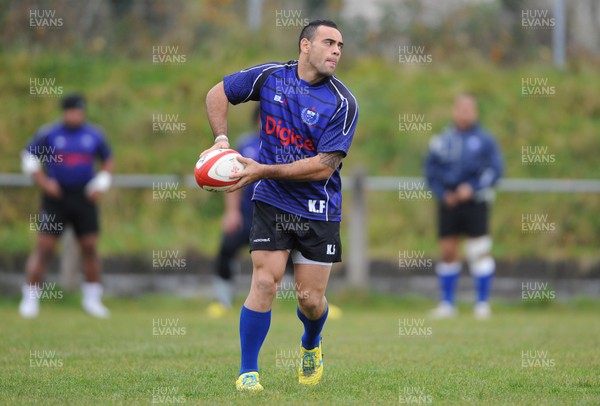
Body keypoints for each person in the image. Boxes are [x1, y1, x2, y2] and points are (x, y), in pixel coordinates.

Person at [201, 19, 358, 391]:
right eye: (329, 42)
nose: (337, 50)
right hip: (272, 200)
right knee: (265, 282)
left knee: (310, 300)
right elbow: (217, 93)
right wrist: (221, 139)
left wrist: (263, 169)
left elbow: (323, 167)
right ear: (305, 46)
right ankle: (247, 372)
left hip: (318, 208)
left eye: (340, 45)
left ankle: (311, 343)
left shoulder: (343, 103)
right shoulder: (271, 77)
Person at [19, 93, 114, 319]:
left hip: (84, 197)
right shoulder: (50, 133)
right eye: (72, 111)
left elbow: (108, 159)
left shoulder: (94, 134)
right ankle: (30, 299)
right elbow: (29, 157)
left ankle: (92, 300)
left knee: (90, 246)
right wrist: (44, 182)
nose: (76, 115)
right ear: (65, 112)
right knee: (45, 248)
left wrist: (101, 182)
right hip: (56, 198)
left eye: (80, 111)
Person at [424, 93, 503, 320]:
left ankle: (482, 303)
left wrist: (474, 188)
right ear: (454, 111)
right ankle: (447, 304)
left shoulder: (485, 140)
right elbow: (431, 171)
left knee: (479, 250)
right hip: (449, 203)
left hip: (476, 202)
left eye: (469, 109)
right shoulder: (442, 139)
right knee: (448, 251)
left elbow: (495, 170)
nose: (465, 113)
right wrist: (443, 193)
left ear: (475, 112)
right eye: (461, 109)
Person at [206, 105, 261, 318]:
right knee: (226, 249)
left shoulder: (285, 145)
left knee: (299, 256)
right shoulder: (245, 145)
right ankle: (222, 300)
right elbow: (231, 179)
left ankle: (313, 303)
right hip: (248, 212)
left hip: (276, 213)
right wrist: (232, 212)